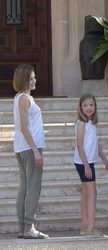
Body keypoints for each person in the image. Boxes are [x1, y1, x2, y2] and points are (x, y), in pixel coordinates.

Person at [13, 64, 49, 239]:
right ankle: (29, 227)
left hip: (22, 147)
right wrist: (36, 151)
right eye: (31, 78)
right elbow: (24, 128)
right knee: (33, 187)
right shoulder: (24, 99)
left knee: (25, 187)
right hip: (29, 147)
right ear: (23, 80)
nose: (34, 80)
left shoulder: (22, 97)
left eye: (34, 77)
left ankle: (23, 227)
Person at [74, 93, 108, 237]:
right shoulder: (81, 123)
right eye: (85, 105)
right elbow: (79, 145)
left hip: (88, 161)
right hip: (84, 162)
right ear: (80, 107)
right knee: (92, 194)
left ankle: (84, 226)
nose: (88, 108)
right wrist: (87, 166)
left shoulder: (91, 123)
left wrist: (104, 159)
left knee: (85, 193)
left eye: (91, 105)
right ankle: (91, 228)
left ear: (95, 106)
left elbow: (95, 144)